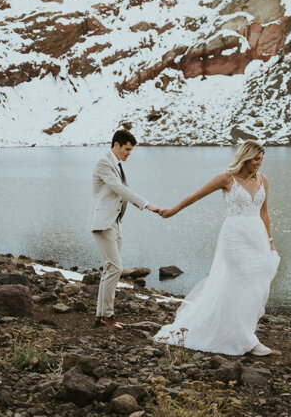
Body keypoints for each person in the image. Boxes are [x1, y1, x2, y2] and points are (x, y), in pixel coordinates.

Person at [154, 140, 280, 356]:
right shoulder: (226, 178)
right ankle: (245, 339)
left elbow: (264, 212)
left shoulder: (263, 180)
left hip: (257, 237)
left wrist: (269, 241)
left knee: (257, 285)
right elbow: (196, 195)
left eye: (261, 159)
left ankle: (245, 332)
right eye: (255, 159)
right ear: (245, 157)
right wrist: (173, 210)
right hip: (234, 238)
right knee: (238, 283)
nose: (258, 163)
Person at [90, 129, 162, 329]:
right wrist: (147, 205)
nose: (129, 153)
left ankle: (101, 316)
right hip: (103, 223)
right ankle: (107, 316)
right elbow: (119, 189)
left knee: (109, 269)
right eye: (127, 149)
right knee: (115, 268)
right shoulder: (104, 163)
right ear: (116, 145)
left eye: (131, 150)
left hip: (115, 222)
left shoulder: (117, 164)